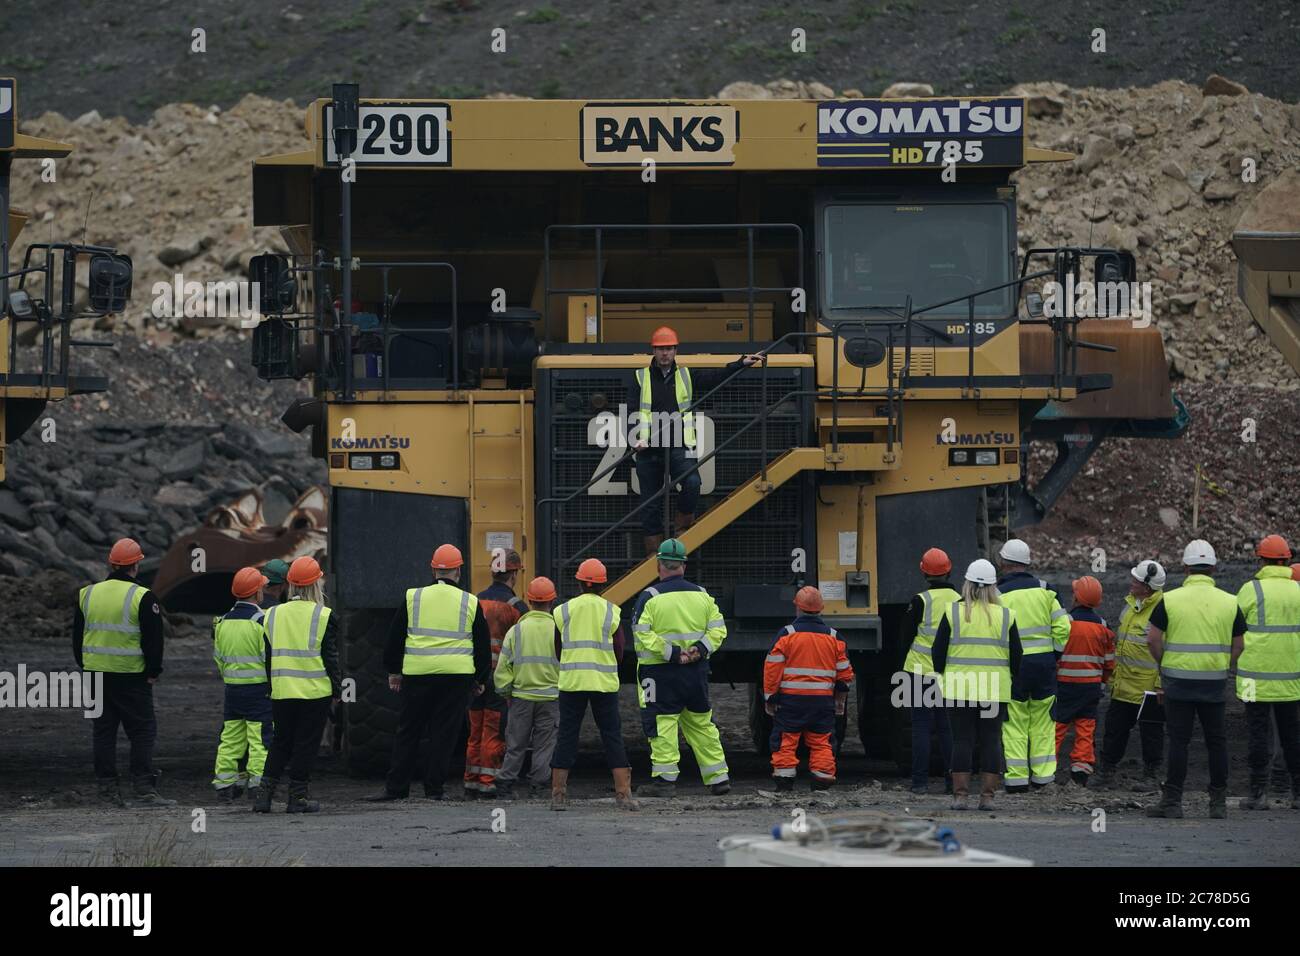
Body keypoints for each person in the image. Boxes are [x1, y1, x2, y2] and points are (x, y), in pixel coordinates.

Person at [367, 544, 491, 802]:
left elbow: (395, 636)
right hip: (456, 678)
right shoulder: (470, 601)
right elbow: (482, 644)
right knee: (443, 734)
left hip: (418, 676)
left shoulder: (413, 597)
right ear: (458, 570)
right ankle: (434, 790)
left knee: (408, 731)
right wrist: (480, 679)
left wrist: (394, 671)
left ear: (433, 569)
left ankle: (396, 789)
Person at [632, 326, 759, 554]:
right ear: (653, 350)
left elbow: (714, 378)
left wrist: (740, 363)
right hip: (649, 449)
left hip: (679, 444)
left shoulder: (686, 375)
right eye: (661, 349)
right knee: (649, 504)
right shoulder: (640, 377)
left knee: (692, 483)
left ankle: (682, 528)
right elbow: (631, 411)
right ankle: (653, 553)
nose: (665, 353)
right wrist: (636, 438)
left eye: (669, 348)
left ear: (675, 350)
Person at [1145, 540, 1246, 819]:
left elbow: (1152, 639)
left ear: (1185, 567)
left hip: (1177, 681)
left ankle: (1173, 802)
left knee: (1178, 741)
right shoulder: (1230, 601)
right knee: (1217, 741)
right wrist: (1225, 666)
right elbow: (1239, 644)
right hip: (1213, 683)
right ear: (1213, 568)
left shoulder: (1170, 599)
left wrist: (1164, 664)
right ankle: (1218, 803)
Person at [73, 537, 175, 808]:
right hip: (132, 677)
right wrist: (153, 671)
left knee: (103, 732)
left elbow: (77, 638)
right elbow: (154, 640)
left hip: (95, 675)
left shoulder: (87, 594)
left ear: (111, 563)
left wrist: (86, 667)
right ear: (136, 565)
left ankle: (107, 791)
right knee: (142, 731)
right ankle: (143, 789)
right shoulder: (142, 596)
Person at [632, 538, 731, 796]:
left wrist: (674, 654)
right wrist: (699, 650)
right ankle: (719, 778)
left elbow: (643, 635)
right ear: (683, 566)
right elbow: (718, 630)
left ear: (659, 566)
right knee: (701, 723)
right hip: (695, 672)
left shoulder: (649, 597)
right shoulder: (703, 596)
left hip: (659, 672)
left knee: (663, 723)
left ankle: (665, 782)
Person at [931, 558, 1023, 811]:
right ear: (994, 586)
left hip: (960, 688)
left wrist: (944, 672)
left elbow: (937, 653)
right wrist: (1010, 676)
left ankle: (960, 796)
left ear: (967, 584)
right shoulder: (1006, 615)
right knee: (991, 740)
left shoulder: (952, 612)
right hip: (995, 689)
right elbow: (1017, 656)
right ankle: (988, 797)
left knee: (962, 740)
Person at [254, 556, 341, 813]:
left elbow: (268, 658)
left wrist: (271, 687)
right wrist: (337, 690)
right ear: (316, 584)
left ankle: (263, 797)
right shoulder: (324, 615)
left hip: (282, 691)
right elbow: (330, 657)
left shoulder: (271, 615)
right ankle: (297, 798)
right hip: (315, 692)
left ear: (290, 583)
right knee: (305, 744)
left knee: (281, 742)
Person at [549, 559, 637, 811]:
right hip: (603, 683)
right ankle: (623, 794)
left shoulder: (562, 611)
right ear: (603, 584)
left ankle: (558, 795)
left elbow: (558, 648)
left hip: (572, 682)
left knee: (567, 734)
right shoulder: (612, 611)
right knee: (612, 735)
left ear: (578, 583)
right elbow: (619, 650)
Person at [995, 539, 1070, 792]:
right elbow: (1063, 627)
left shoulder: (997, 594)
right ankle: (1043, 777)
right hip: (1043, 665)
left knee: (1014, 720)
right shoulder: (1046, 590)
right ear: (1027, 562)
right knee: (1043, 721)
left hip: (1013, 666)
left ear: (1003, 562)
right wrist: (1053, 656)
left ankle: (1016, 779)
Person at [763, 587, 855, 790]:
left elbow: (772, 668)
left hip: (791, 700)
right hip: (822, 701)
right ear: (821, 609)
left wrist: (770, 697)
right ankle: (822, 777)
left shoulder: (786, 634)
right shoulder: (834, 637)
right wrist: (840, 700)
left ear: (798, 608)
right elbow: (844, 674)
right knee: (821, 739)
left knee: (786, 739)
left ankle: (784, 779)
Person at [1234, 535, 1300, 810]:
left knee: (1258, 733)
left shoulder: (1251, 590)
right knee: (1292, 734)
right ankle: (1298, 794)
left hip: (1253, 678)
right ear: (1287, 560)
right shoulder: (1298, 590)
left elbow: (1233, 625)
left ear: (1261, 560)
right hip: (1291, 678)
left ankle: (1258, 794)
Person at [1096, 560, 1167, 788]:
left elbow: (1167, 651)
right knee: (1114, 731)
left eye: (1136, 580)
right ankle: (1107, 773)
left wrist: (1160, 684)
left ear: (1147, 587)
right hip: (1123, 685)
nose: (1131, 582)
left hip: (1149, 689)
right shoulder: (1130, 605)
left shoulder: (1163, 610)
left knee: (1151, 734)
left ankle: (1151, 775)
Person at [465, 549, 526, 799]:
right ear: (513, 574)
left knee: (475, 728)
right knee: (495, 729)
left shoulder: (474, 602)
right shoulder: (517, 608)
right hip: (499, 678)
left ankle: (471, 782)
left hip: (475, 676)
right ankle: (489, 781)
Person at [494, 576, 562, 800]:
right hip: (550, 697)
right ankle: (539, 786)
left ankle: (505, 784)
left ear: (529, 600)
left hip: (521, 697)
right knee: (545, 744)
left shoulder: (517, 630)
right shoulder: (558, 630)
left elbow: (503, 665)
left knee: (516, 743)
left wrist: (505, 691)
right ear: (552, 600)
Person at [899, 547, 959, 794]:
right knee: (947, 728)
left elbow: (904, 638)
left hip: (919, 672)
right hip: (949, 672)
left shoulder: (920, 601)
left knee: (921, 728)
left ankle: (920, 783)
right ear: (949, 569)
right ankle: (951, 782)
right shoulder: (960, 601)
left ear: (924, 571)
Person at [211, 567, 274, 801]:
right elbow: (269, 659)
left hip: (233, 689)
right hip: (258, 690)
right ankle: (257, 785)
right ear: (257, 592)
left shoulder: (222, 622)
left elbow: (219, 658)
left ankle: (224, 784)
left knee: (231, 736)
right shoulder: (261, 621)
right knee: (259, 738)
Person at [1053, 576, 1116, 786]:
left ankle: (1045, 769)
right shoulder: (1104, 627)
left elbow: (1056, 654)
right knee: (1086, 729)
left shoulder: (1066, 623)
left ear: (1077, 598)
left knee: (1056, 728)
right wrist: (1101, 683)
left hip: (1065, 686)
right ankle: (1081, 772)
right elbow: (1109, 663)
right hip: (1090, 688)